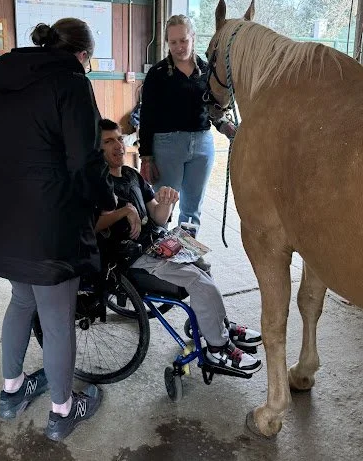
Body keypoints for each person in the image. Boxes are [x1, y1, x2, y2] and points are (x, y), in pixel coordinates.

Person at [0, 18, 115, 442]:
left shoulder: (4, 79)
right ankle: (63, 412)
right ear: (82, 55)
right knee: (56, 320)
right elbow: (84, 161)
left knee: (20, 301)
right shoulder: (71, 83)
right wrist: (109, 201)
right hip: (48, 220)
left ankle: (11, 392)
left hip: (3, 213)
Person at [98, 119, 262, 374]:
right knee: (199, 281)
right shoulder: (99, 185)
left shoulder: (131, 174)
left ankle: (217, 325)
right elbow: (91, 225)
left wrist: (166, 201)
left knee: (204, 266)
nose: (118, 145)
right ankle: (217, 349)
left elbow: (157, 217)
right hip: (132, 259)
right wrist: (125, 210)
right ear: (97, 151)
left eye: (119, 139)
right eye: (108, 142)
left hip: (157, 242)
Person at [139, 14, 236, 228]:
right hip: (167, 146)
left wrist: (227, 127)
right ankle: (160, 254)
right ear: (167, 43)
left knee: (192, 209)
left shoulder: (207, 70)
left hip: (202, 145)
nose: (179, 46)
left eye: (183, 40)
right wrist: (146, 157)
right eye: (173, 42)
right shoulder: (157, 74)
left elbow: (214, 109)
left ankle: (187, 256)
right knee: (163, 206)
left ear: (192, 37)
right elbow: (146, 116)